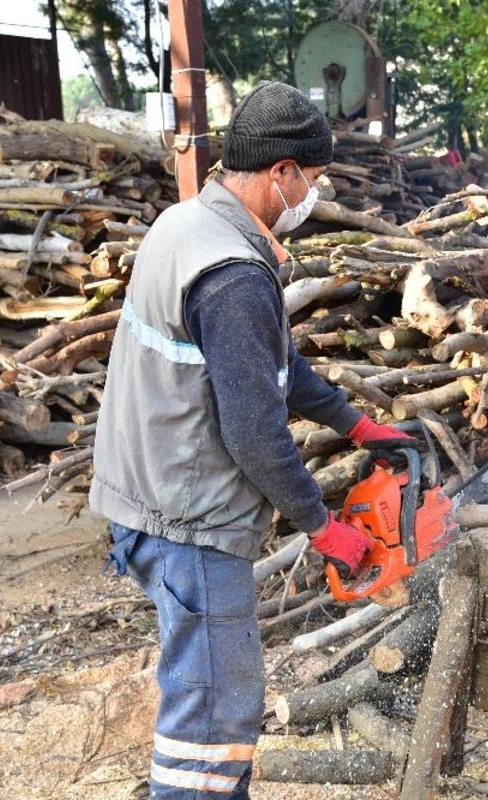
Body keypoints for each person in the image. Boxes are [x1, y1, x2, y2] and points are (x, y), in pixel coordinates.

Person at [91, 80, 411, 800]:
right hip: (190, 520)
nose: (313, 195)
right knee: (211, 723)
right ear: (282, 173)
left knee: (208, 706)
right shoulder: (232, 272)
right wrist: (323, 527)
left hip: (151, 498)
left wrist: (352, 422)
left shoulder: (188, 225)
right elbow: (254, 431)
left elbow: (271, 367)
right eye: (314, 179)